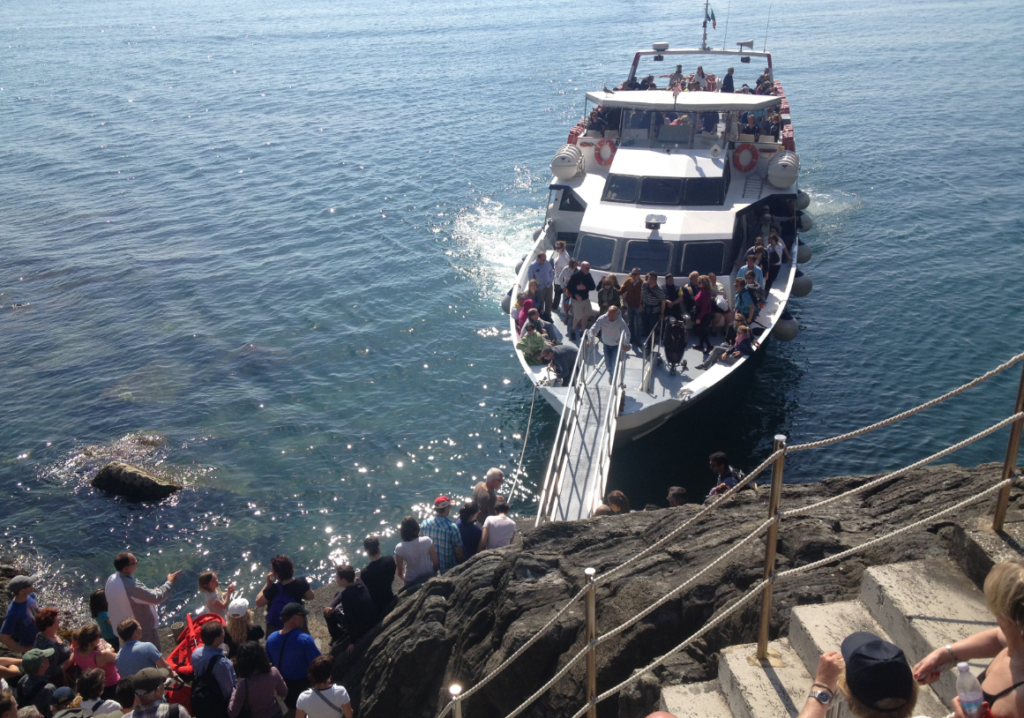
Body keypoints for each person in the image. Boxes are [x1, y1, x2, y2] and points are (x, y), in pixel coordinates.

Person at [913, 561, 1024, 718]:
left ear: (1006, 618)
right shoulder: (1015, 642)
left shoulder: (1019, 699)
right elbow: (996, 638)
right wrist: (946, 653)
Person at [104, 554, 181, 650]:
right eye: (134, 562)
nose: (137, 563)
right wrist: (169, 583)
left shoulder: (111, 579)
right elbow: (155, 598)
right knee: (153, 656)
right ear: (126, 569)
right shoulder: (130, 585)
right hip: (141, 632)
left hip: (123, 630)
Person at [265, 604, 320, 711]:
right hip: (303, 686)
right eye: (302, 615)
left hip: (282, 686)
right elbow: (319, 663)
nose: (304, 618)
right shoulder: (305, 640)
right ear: (294, 618)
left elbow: (269, 662)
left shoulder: (271, 639)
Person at [255, 556, 314, 634]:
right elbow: (311, 596)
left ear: (276, 574)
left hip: (277, 628)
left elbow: (258, 603)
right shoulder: (301, 582)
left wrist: (268, 584)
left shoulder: (273, 588)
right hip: (296, 624)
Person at [323, 565, 377, 652]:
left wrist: (353, 641)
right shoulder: (358, 581)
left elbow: (350, 620)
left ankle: (337, 636)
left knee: (330, 614)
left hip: (363, 624)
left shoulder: (347, 597)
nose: (335, 579)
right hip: (369, 615)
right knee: (337, 595)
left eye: (337, 577)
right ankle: (337, 633)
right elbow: (341, 593)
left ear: (343, 580)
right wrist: (332, 605)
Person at [228, 641, 286, 718]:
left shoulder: (243, 684)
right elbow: (284, 692)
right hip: (275, 714)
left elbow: (232, 712)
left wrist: (234, 693)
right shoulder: (273, 672)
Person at [190, 621, 236, 716]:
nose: (224, 633)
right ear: (217, 640)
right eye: (222, 632)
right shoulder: (223, 663)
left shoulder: (195, 654)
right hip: (217, 704)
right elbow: (228, 692)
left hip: (202, 695)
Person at [71, 625, 119, 700]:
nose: (100, 638)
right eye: (99, 636)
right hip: (112, 685)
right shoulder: (102, 655)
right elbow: (120, 658)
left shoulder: (76, 651)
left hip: (94, 688)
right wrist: (109, 649)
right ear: (91, 642)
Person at [421, 496, 464, 573]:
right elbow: (458, 552)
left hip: (430, 567)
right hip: (448, 568)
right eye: (449, 506)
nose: (450, 508)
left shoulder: (424, 524)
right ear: (446, 508)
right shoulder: (452, 528)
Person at [394, 516, 439, 590]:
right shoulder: (427, 540)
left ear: (403, 531)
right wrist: (433, 572)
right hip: (428, 575)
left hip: (411, 580)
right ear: (416, 527)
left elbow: (399, 572)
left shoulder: (399, 547)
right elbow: (436, 563)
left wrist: (405, 578)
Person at [587, 305, 630, 381]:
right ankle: (611, 374)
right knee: (608, 364)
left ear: (616, 314)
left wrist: (626, 343)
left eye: (612, 315)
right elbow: (593, 329)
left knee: (614, 363)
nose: (610, 316)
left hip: (616, 346)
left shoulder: (621, 322)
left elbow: (627, 333)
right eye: (609, 314)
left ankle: (614, 380)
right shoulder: (602, 319)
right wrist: (590, 339)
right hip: (606, 344)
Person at [359, 536, 396, 619]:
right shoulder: (390, 560)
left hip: (377, 607)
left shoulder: (365, 573)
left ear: (366, 552)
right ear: (379, 548)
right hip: (390, 597)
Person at [31, 611, 72, 686]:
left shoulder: (44, 634)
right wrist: (72, 658)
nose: (59, 622)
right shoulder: (49, 646)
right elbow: (53, 672)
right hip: (60, 680)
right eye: (56, 621)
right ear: (48, 627)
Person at [2, 577, 39, 654]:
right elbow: (4, 637)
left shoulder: (30, 595)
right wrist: (23, 649)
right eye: (30, 585)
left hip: (43, 637)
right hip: (33, 647)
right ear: (22, 591)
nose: (32, 585)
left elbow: (35, 612)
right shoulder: (13, 613)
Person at [14, 650, 54, 718]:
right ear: (41, 667)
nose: (48, 658)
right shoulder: (48, 689)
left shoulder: (22, 681)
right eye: (46, 658)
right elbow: (53, 711)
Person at [567, 261, 596, 341]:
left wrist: (585, 287)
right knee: (577, 317)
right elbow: (569, 287)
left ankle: (582, 331)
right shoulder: (575, 276)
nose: (588, 269)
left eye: (589, 268)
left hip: (586, 299)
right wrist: (576, 293)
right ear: (582, 267)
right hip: (577, 300)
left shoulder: (588, 275)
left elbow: (593, 286)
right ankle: (573, 330)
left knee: (586, 315)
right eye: (587, 268)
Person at [618, 268, 644, 348]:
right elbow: (622, 291)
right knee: (630, 323)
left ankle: (638, 339)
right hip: (630, 305)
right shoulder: (628, 281)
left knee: (639, 324)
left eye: (635, 274)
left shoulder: (643, 283)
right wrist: (612, 290)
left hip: (639, 306)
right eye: (632, 274)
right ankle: (632, 338)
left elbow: (645, 296)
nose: (633, 276)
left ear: (639, 275)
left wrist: (641, 305)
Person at [640, 272, 666, 350]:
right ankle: (649, 342)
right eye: (649, 278)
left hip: (654, 312)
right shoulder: (644, 285)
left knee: (652, 328)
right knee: (645, 328)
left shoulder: (659, 290)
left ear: (655, 280)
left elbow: (663, 302)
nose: (650, 280)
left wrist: (662, 313)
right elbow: (642, 293)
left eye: (652, 279)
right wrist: (640, 304)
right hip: (645, 310)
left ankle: (650, 345)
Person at [693, 275, 713, 354]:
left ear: (704, 283)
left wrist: (699, 318)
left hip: (704, 315)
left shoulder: (706, 293)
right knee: (700, 330)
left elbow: (705, 306)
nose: (698, 283)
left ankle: (709, 346)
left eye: (699, 282)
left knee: (703, 332)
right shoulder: (701, 290)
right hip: (700, 312)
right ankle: (701, 345)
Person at [557, 258, 577, 326]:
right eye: (572, 265)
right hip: (566, 288)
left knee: (573, 304)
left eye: (574, 265)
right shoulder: (566, 269)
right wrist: (562, 286)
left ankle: (573, 318)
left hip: (574, 289)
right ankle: (567, 315)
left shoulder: (577, 270)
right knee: (565, 303)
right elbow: (560, 277)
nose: (573, 267)